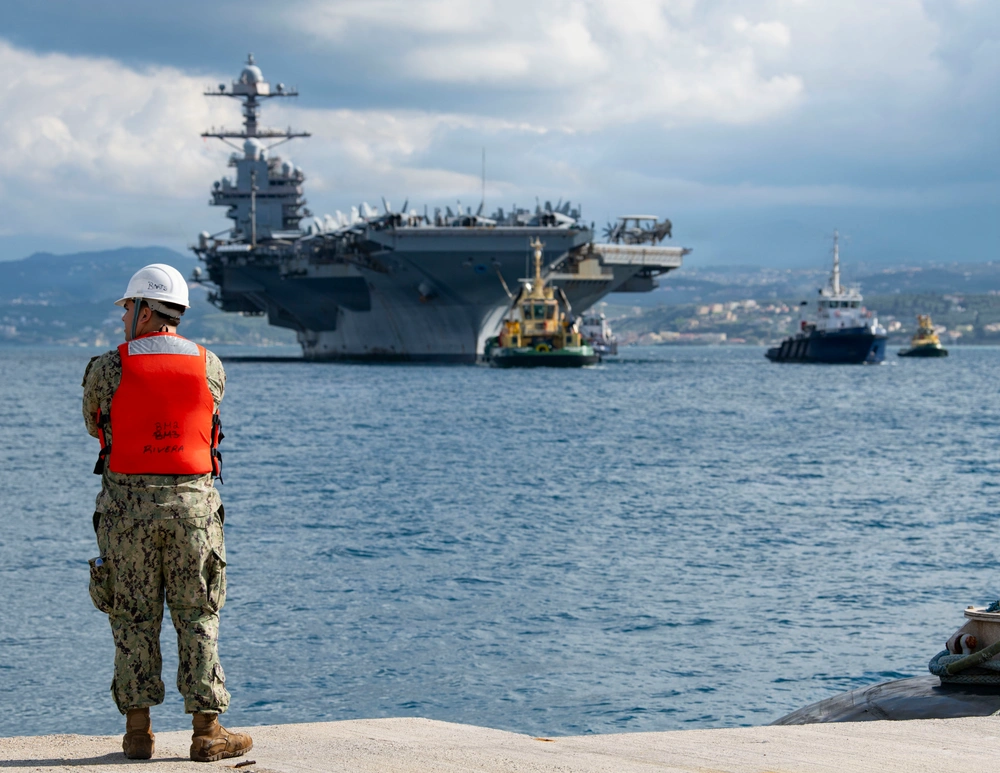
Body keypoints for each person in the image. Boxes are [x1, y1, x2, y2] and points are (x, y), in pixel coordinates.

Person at [82, 264, 252, 762]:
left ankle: (138, 734)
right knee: (198, 614)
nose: (122, 320)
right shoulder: (211, 365)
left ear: (145, 310)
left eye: (126, 310)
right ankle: (207, 733)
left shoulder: (106, 367)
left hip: (126, 512)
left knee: (131, 616)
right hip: (194, 514)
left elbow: (96, 426)